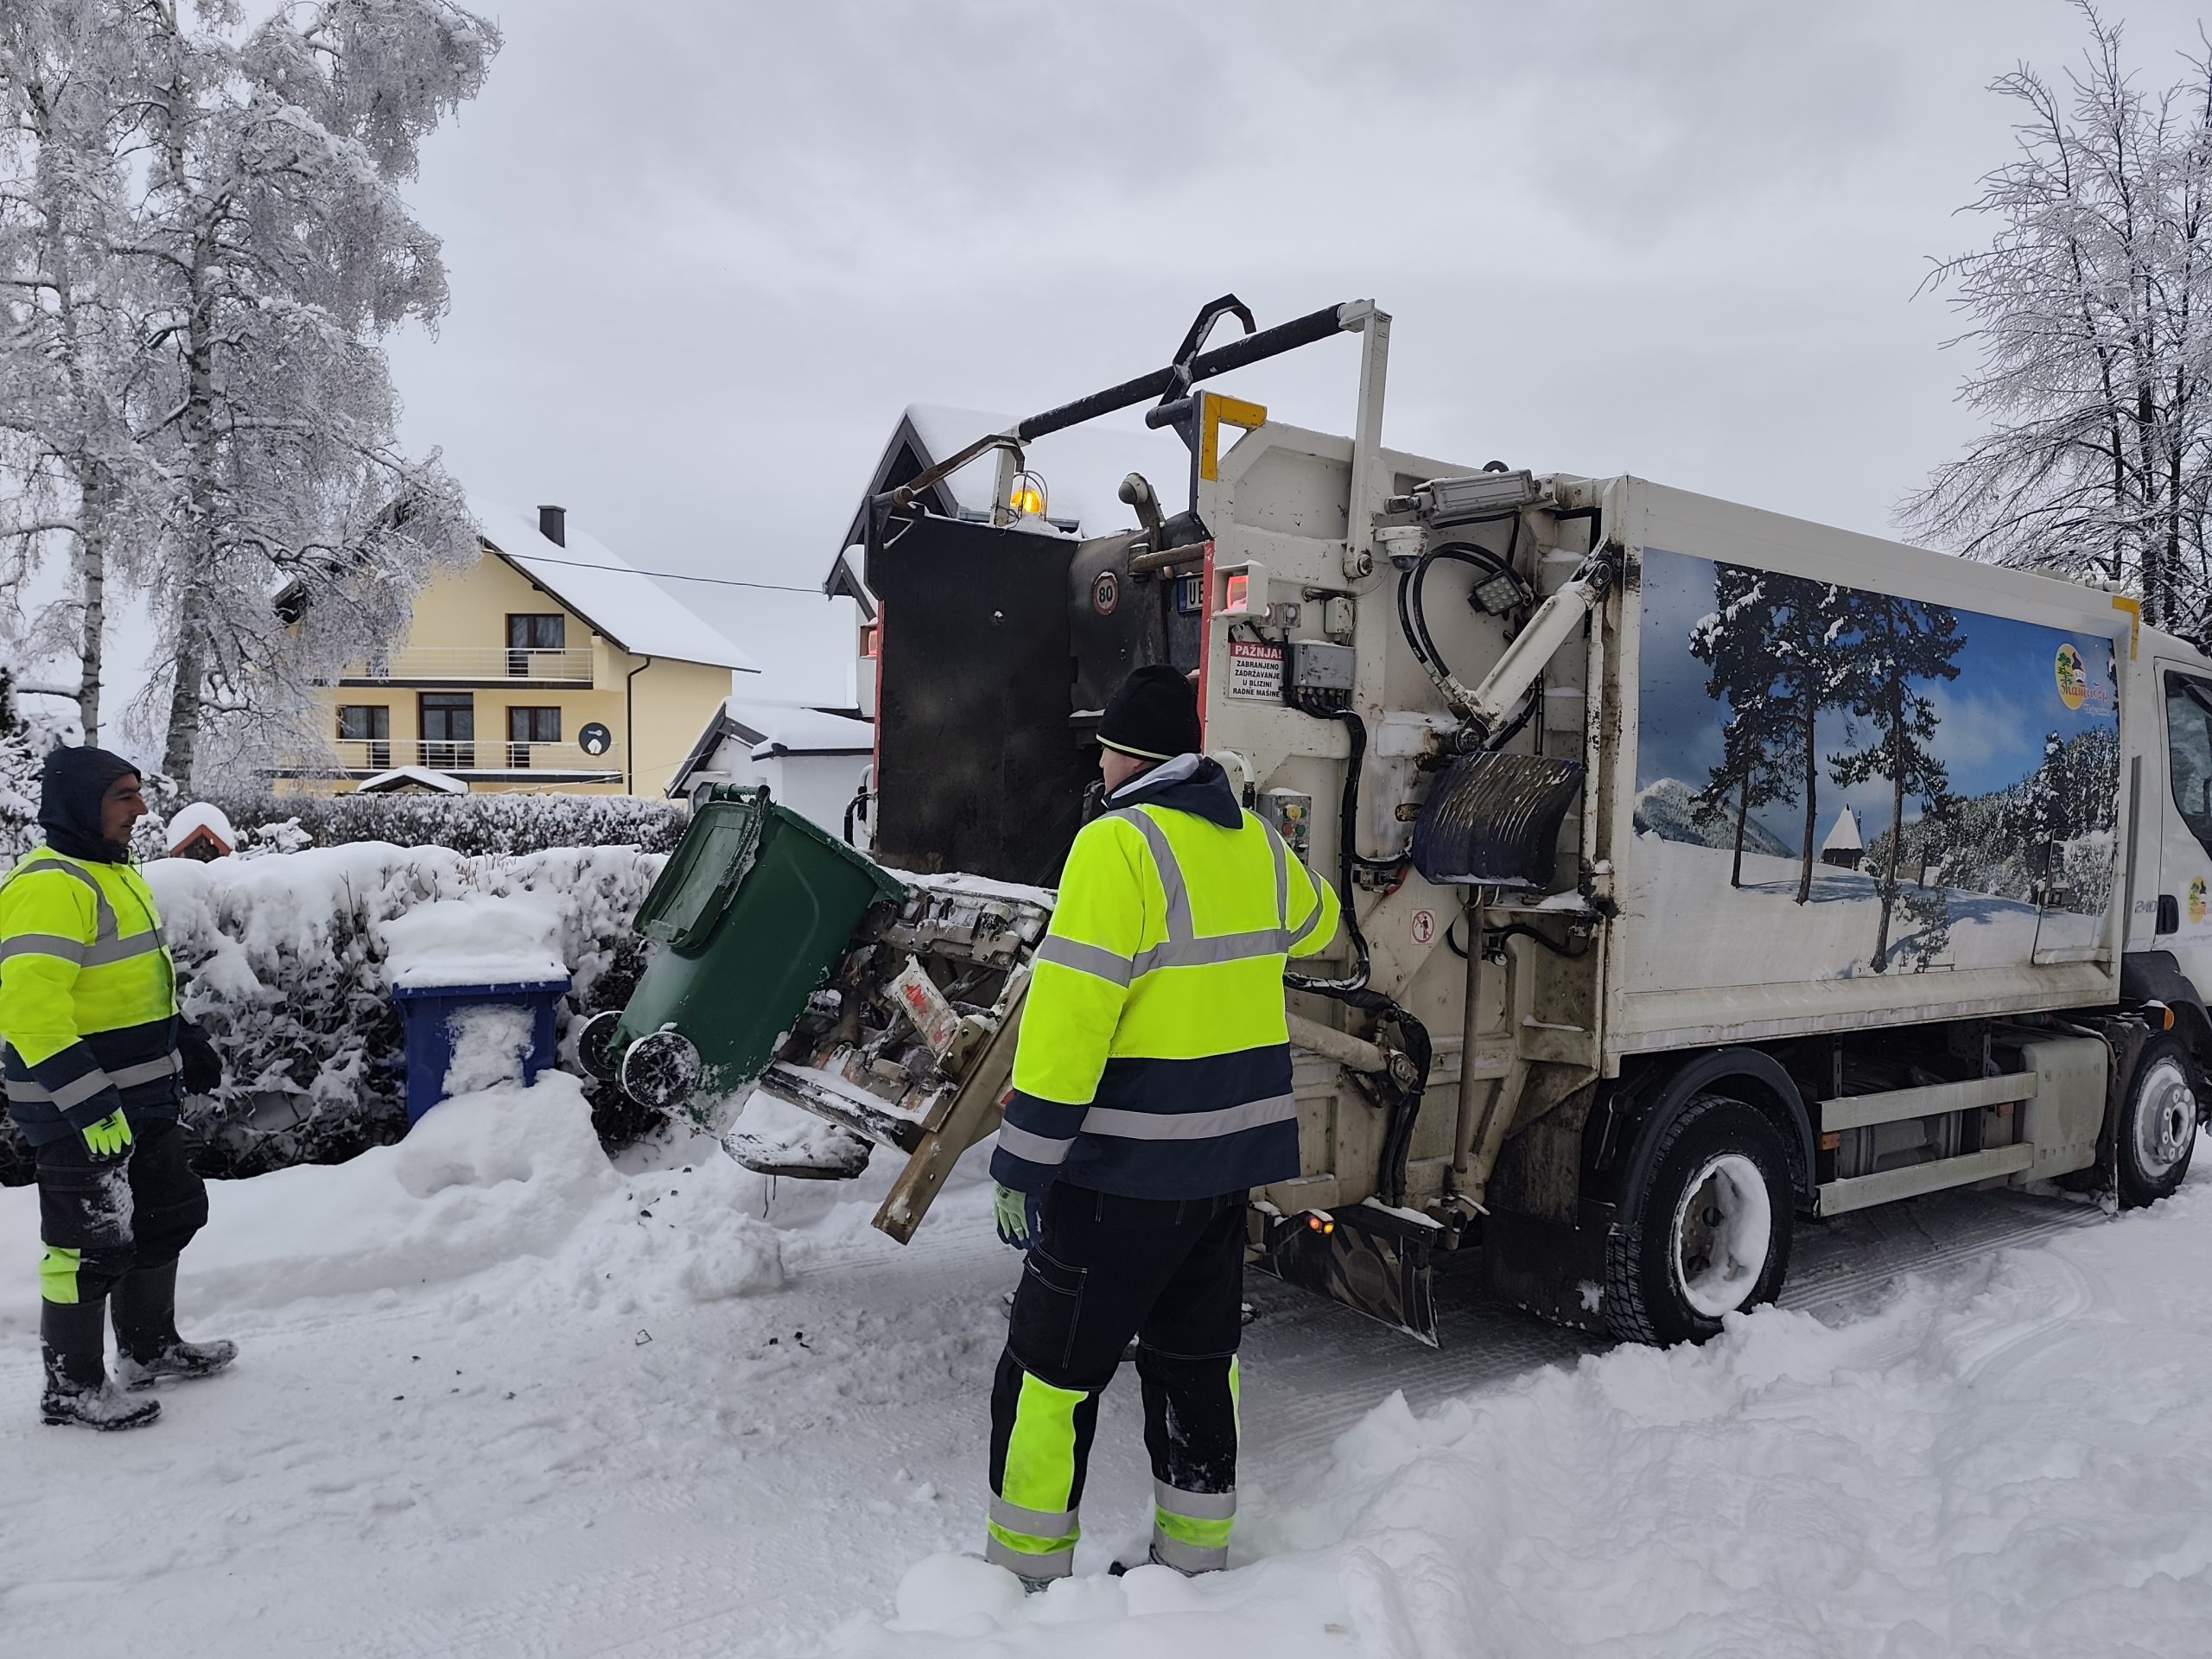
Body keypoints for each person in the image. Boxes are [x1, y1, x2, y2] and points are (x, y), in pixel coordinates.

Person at [984, 664, 1341, 1586]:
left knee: (1048, 1374)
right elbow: (1319, 924)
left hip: (1121, 1174)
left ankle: (1023, 1580)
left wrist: (1024, 1159)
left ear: (1123, 755)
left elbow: (1069, 1020)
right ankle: (1192, 1563)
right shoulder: (1257, 842)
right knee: (1195, 1361)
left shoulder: (1116, 846)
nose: (1096, 763)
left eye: (1102, 747)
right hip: (1224, 1173)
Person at [0, 747, 232, 1429]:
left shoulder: (111, 875)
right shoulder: (50, 884)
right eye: (123, 797)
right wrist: (89, 1102)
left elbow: (129, 983)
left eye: (137, 793)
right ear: (81, 804)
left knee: (169, 1215)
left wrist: (182, 1039)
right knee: (88, 1243)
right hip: (82, 1108)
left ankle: (148, 1349)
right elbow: (29, 1013)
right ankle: (70, 1388)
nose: (141, 809)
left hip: (143, 1095)